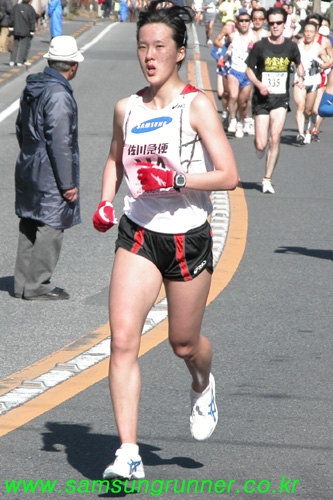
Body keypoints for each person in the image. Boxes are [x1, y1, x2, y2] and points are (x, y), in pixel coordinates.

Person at [92, 0, 239, 480]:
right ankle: (128, 451)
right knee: (122, 342)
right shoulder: (127, 108)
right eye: (143, 47)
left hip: (187, 237)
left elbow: (229, 176)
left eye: (160, 47)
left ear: (179, 53)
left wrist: (183, 181)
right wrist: (106, 201)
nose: (149, 56)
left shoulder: (196, 104)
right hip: (138, 232)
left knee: (183, 343)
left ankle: (202, 382)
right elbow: (116, 159)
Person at [14, 36, 84, 300]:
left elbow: (21, 127)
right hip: (49, 167)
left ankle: (22, 283)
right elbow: (60, 141)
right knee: (52, 226)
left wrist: (31, 153)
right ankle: (38, 285)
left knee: (30, 221)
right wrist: (68, 184)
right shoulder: (58, 94)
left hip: (29, 160)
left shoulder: (34, 86)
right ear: (73, 66)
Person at [245, 7, 304, 194]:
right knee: (261, 143)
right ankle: (260, 148)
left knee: (275, 137)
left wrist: (300, 78)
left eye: (278, 23)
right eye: (271, 23)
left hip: (280, 99)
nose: (275, 26)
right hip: (261, 98)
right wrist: (258, 84)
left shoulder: (291, 47)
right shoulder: (260, 46)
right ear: (267, 24)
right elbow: (248, 69)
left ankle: (267, 178)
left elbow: (298, 65)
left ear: (284, 23)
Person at [293, 21, 331, 144]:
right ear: (303, 33)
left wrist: (320, 65)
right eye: (306, 32)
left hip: (314, 81)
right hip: (300, 80)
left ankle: (308, 129)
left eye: (311, 32)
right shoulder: (298, 45)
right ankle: (300, 133)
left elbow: (327, 62)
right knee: (300, 106)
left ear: (315, 33)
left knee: (309, 111)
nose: (308, 34)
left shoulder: (318, 47)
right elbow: (292, 60)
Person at [226, 10, 258, 138]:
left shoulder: (254, 37)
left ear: (249, 23)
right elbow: (225, 46)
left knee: (243, 102)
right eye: (241, 21)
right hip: (234, 70)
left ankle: (240, 121)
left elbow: (259, 54)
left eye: (246, 21)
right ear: (237, 23)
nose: (244, 24)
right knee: (233, 96)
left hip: (247, 73)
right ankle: (233, 120)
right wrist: (226, 54)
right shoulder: (233, 36)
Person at [8, 0, 35, 67]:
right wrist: (32, 30)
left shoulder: (16, 7)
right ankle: (20, 61)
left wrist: (11, 26)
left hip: (16, 29)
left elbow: (12, 17)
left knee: (15, 45)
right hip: (26, 30)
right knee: (23, 46)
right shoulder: (30, 8)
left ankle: (12, 60)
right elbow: (32, 20)